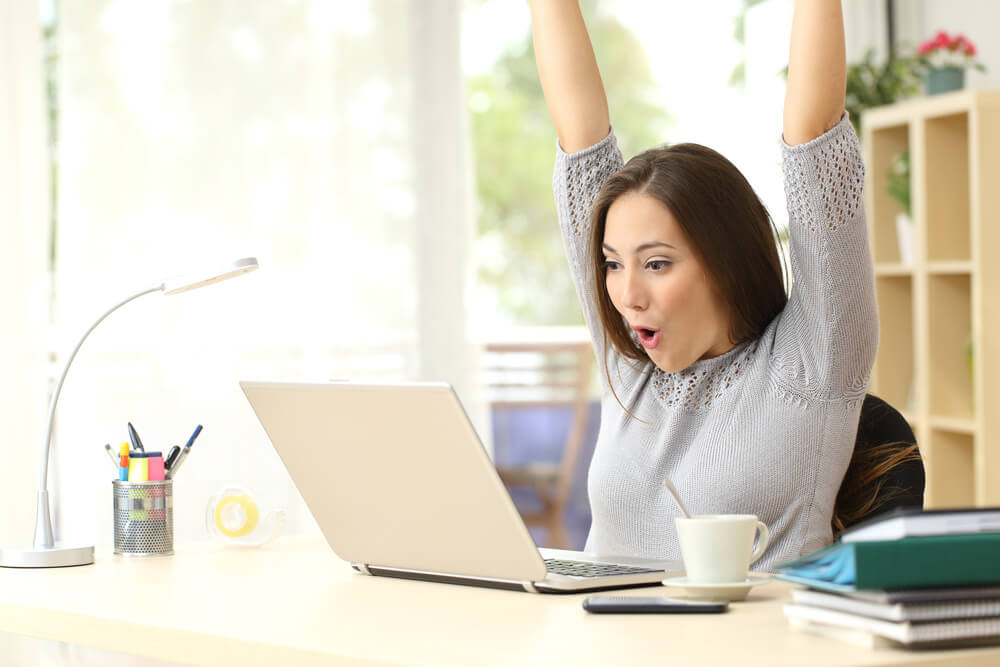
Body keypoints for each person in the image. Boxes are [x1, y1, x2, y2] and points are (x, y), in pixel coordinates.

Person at [529, 0, 878, 569]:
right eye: (613, 263)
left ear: (725, 261)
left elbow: (814, 139)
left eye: (657, 264)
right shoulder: (629, 362)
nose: (625, 295)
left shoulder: (813, 359)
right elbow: (579, 135)